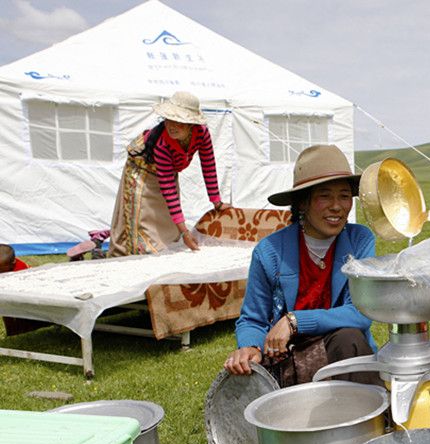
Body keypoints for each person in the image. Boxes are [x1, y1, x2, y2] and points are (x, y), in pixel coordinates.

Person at [224, 144, 381, 388]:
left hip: (341, 355)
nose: (337, 206)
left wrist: (294, 321)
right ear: (302, 204)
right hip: (285, 360)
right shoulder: (270, 251)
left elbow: (361, 312)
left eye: (344, 195)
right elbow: (252, 319)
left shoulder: (359, 240)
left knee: (349, 337)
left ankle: (367, 413)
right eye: (325, 196)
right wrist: (250, 346)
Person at [108, 91, 231, 257]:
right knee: (143, 221)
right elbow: (169, 191)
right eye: (169, 119)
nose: (171, 126)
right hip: (141, 172)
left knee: (168, 226)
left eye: (178, 122)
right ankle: (136, 255)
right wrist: (185, 232)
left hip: (167, 171)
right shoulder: (162, 144)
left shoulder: (202, 134)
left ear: (191, 124)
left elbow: (208, 165)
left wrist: (217, 202)